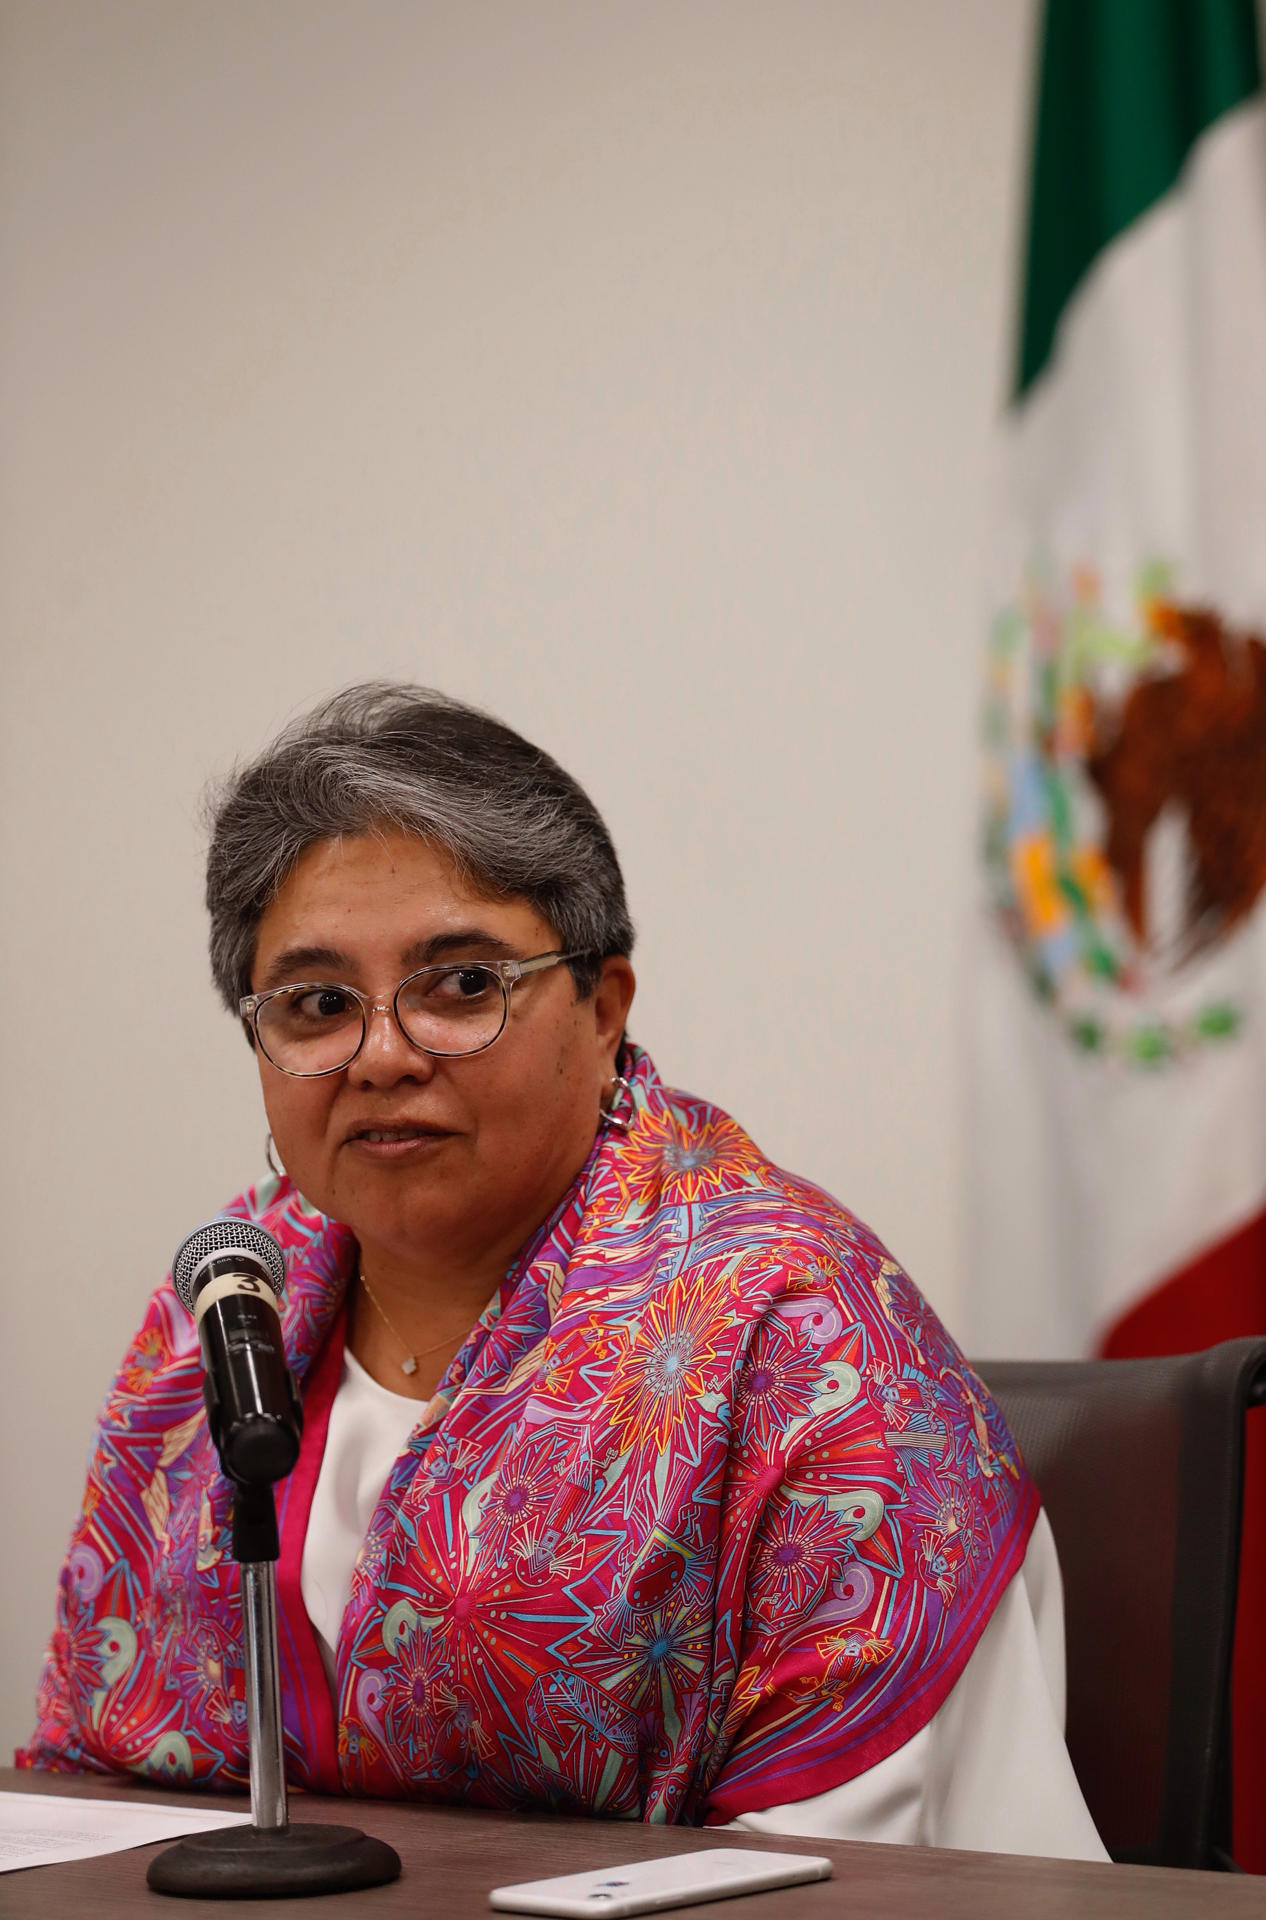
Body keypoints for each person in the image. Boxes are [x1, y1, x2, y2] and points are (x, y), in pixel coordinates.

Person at [19, 685, 1106, 1858]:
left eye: (461, 985)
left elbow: (842, 1872)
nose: (382, 1055)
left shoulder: (797, 1333)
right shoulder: (230, 1303)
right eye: (319, 1004)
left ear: (603, 1011)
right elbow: (97, 1802)